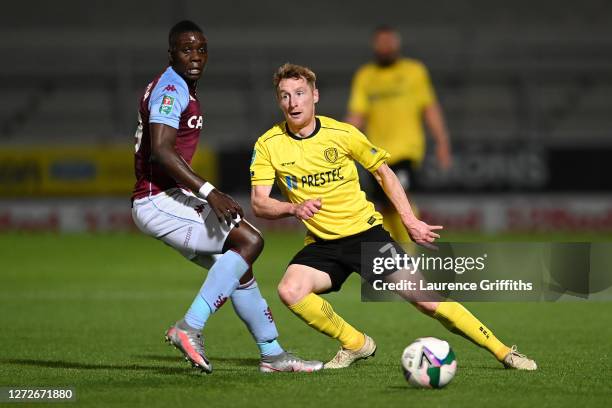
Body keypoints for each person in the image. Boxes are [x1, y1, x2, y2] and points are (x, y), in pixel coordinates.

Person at [250, 63, 536, 370]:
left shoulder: (343, 134)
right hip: (322, 243)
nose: (293, 102)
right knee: (289, 290)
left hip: (366, 236)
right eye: (285, 96)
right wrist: (293, 208)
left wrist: (410, 220)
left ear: (315, 96)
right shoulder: (269, 145)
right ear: (278, 101)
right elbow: (260, 203)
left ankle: (504, 351)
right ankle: (355, 343)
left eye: (300, 93)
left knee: (427, 301)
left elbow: (384, 174)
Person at [131, 21, 322, 374]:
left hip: (167, 196)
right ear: (171, 53)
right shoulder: (171, 88)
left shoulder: (179, 87)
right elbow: (160, 150)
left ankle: (273, 355)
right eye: (186, 49)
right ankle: (189, 327)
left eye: (201, 49)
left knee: (238, 269)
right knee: (249, 240)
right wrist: (210, 191)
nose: (195, 56)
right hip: (157, 198)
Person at [346, 25, 452, 246]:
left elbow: (429, 108)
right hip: (375, 154)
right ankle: (397, 253)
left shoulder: (414, 72)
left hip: (406, 150)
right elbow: (357, 114)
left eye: (389, 42)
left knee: (401, 200)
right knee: (385, 206)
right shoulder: (366, 76)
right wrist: (339, 140)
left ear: (397, 44)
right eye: (380, 43)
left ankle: (411, 253)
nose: (385, 47)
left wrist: (442, 141)